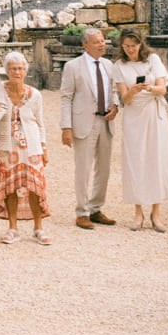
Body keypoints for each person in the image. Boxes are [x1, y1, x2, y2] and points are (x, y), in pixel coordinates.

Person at [56, 25, 120, 229]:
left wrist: (116, 105)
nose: (102, 44)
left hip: (106, 122)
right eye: (97, 42)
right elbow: (66, 97)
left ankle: (96, 208)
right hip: (84, 122)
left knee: (104, 169)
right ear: (85, 45)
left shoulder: (109, 65)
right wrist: (66, 127)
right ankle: (81, 211)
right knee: (83, 169)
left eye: (103, 41)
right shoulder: (73, 67)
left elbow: (114, 90)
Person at [112, 30, 168, 233]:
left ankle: (156, 212)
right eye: (126, 45)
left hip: (153, 111)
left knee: (156, 158)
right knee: (136, 160)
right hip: (134, 115)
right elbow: (125, 99)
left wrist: (148, 88)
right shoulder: (119, 66)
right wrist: (133, 89)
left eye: (133, 45)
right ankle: (138, 211)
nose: (130, 49)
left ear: (141, 44)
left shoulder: (153, 59)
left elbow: (163, 89)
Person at [0, 52, 51, 244]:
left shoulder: (35, 95)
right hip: (7, 145)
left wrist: (44, 147)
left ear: (26, 71)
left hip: (31, 145)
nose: (17, 72)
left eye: (20, 68)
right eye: (13, 69)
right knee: (10, 187)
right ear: (7, 71)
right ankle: (12, 228)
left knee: (35, 186)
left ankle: (38, 228)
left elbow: (40, 122)